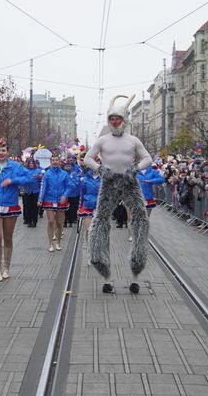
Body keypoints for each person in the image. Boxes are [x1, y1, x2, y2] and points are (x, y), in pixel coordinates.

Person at [83, 94, 153, 294]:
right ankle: (105, 274)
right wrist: (100, 169)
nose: (115, 121)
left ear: (124, 121)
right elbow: (88, 158)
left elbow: (147, 158)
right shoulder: (102, 140)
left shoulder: (133, 140)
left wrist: (136, 168)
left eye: (118, 119)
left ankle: (136, 274)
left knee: (140, 219)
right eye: (112, 119)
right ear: (109, 121)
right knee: (101, 220)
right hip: (109, 183)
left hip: (130, 182)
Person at [0, 138, 30, 281]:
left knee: (8, 237)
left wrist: (13, 181)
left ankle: (6, 267)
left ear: (8, 151)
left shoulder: (16, 167)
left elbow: (30, 177)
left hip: (10, 204)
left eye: (3, 150)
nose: (1, 153)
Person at [38, 154, 72, 252]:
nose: (55, 162)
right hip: (49, 199)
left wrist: (65, 195)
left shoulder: (64, 174)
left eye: (56, 160)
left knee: (59, 223)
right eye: (53, 160)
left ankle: (58, 242)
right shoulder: (47, 174)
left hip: (61, 200)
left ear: (59, 161)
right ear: (50, 162)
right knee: (51, 221)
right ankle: (50, 244)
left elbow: (68, 186)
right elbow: (43, 187)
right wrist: (40, 199)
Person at [78, 168, 101, 251]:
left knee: (98, 231)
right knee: (88, 230)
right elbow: (82, 194)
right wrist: (80, 207)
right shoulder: (85, 179)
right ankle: (89, 248)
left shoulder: (104, 178)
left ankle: (96, 248)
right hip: (87, 205)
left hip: (99, 207)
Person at [22, 158, 42, 227]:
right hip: (27, 191)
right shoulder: (24, 171)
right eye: (29, 163)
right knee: (28, 207)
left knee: (35, 207)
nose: (31, 164)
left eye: (32, 163)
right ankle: (29, 221)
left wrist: (40, 177)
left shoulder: (38, 171)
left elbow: (41, 181)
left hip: (35, 191)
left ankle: (34, 221)